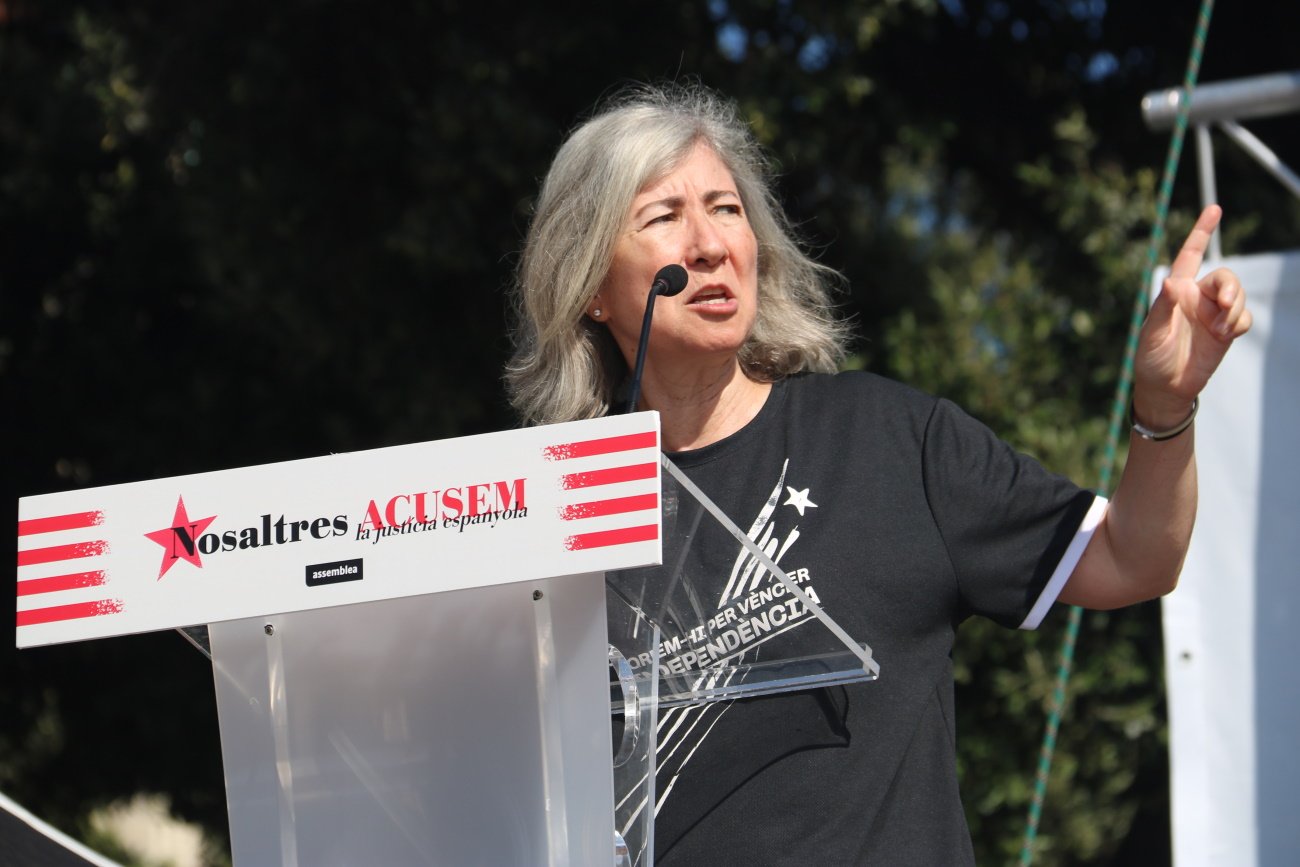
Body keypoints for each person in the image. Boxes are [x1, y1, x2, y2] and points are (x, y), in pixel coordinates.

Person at [505, 84, 1250, 865]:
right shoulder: (553, 515)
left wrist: (1165, 408)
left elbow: (1137, 557)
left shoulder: (891, 436)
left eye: (726, 209)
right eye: (664, 217)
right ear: (590, 287)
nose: (711, 244)